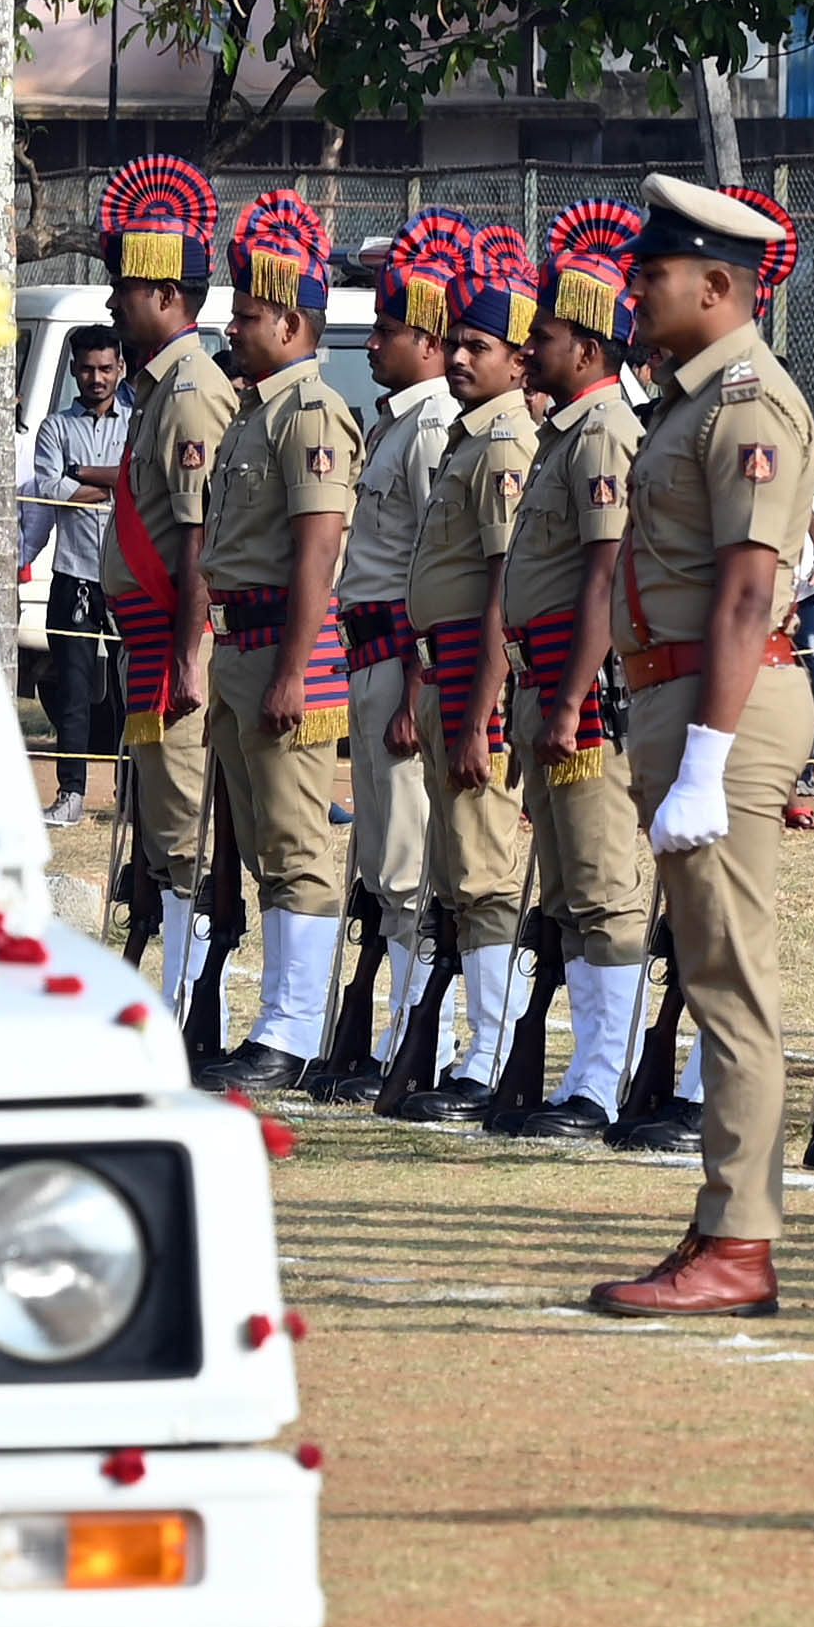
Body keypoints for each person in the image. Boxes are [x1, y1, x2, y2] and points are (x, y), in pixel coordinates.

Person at [583, 177, 814, 1319]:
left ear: (717, 286)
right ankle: (721, 1220)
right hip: (684, 699)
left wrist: (704, 760)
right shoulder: (690, 400)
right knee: (711, 971)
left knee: (729, 982)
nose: (634, 288)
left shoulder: (746, 401)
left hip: (720, 704)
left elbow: (744, 594)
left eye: (656, 274)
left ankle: (741, 1242)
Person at [491, 203, 655, 1138]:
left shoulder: (600, 435)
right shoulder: (566, 433)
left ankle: (604, 1079)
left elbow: (606, 568)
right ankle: (584, 1074)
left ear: (587, 347)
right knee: (565, 888)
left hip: (580, 691)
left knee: (600, 885)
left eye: (545, 335)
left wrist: (566, 696)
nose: (533, 346)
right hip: (546, 682)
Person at [192, 197, 365, 1084]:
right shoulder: (256, 411)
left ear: (291, 321)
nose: (234, 322)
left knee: (296, 846)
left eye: (250, 313)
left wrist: (295, 668)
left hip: (281, 650)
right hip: (240, 647)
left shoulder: (311, 414)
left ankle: (294, 1032)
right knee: (260, 845)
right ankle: (276, 1019)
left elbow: (317, 550)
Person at [388, 229, 548, 1122]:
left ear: (518, 361)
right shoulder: (467, 439)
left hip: (476, 678)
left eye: (476, 347)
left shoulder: (501, 447)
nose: (455, 357)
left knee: (484, 872)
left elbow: (498, 588)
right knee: (455, 866)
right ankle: (475, 1045)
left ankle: (489, 1053)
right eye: (454, 343)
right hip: (446, 674)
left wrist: (483, 709)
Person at [329, 217, 473, 1098]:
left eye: (386, 331)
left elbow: (433, 564)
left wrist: (421, 682)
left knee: (412, 864)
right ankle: (393, 1038)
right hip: (371, 657)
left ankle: (421, 1036)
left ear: (427, 341)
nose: (373, 342)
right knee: (384, 858)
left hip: (401, 662)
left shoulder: (429, 431)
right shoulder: (395, 424)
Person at [100, 165, 245, 1017]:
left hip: (176, 646)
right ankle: (183, 996)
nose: (115, 302)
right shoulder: (160, 392)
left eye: (126, 287)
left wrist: (190, 655)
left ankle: (200, 1006)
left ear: (163, 293)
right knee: (163, 826)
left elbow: (198, 538)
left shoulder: (190, 396)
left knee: (186, 828)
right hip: (152, 638)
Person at [25, 325, 140, 816]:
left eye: (106, 368)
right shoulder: (54, 428)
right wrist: (109, 483)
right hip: (73, 575)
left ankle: (132, 795)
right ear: (74, 369)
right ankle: (70, 793)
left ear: (121, 369)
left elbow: (137, 481)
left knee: (129, 689)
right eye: (88, 368)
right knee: (72, 690)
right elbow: (50, 491)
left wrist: (83, 475)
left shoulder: (137, 424)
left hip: (127, 575)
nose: (97, 378)